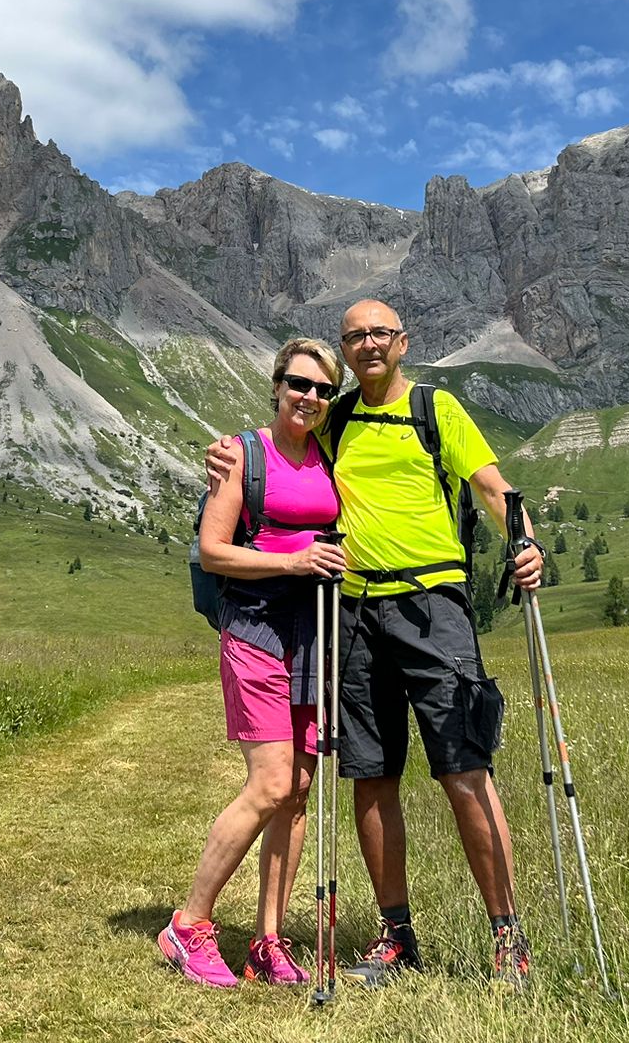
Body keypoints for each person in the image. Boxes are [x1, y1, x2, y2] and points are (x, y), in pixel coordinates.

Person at [208, 300, 545, 986]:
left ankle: (507, 936)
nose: (367, 345)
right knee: (370, 776)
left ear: (402, 342)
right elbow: (285, 444)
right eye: (354, 336)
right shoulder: (337, 419)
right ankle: (397, 936)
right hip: (356, 612)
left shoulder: (435, 410)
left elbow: (494, 488)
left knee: (463, 771)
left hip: (435, 605)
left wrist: (527, 542)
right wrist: (225, 458)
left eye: (378, 334)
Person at [160, 338, 351, 989]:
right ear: (276, 386)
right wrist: (294, 563)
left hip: (311, 635)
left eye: (324, 390)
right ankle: (188, 926)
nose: (311, 398)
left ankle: (269, 941)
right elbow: (214, 551)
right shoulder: (243, 454)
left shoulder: (328, 456)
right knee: (269, 784)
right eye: (300, 384)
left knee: (297, 793)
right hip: (256, 629)